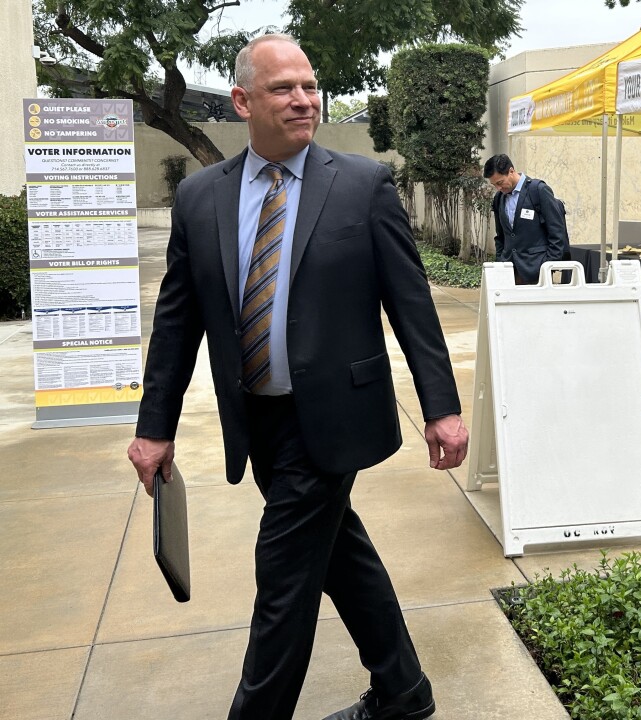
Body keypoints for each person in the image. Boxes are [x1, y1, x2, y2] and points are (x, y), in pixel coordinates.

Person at [126, 34, 468, 720]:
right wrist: (153, 428)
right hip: (258, 419)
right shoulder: (201, 199)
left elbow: (411, 304)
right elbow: (176, 323)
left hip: (337, 412)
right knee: (340, 554)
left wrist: (442, 406)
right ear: (243, 101)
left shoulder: (362, 184)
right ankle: (404, 692)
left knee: (282, 579)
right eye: (284, 88)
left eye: (310, 86)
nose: (304, 100)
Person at [483, 154, 568, 284]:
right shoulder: (499, 198)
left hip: (537, 269)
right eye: (494, 185)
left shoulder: (538, 190)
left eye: (500, 182)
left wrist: (549, 265)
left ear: (511, 171)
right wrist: (501, 261)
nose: (498, 188)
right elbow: (501, 236)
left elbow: (557, 231)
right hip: (509, 269)